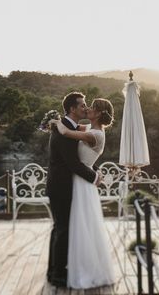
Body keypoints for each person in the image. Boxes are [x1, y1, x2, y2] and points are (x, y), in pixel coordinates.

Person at [50, 98, 117, 289]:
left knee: (82, 226)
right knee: (77, 227)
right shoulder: (89, 131)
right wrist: (95, 171)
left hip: (82, 184)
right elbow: (84, 157)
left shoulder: (94, 134)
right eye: (85, 105)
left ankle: (82, 269)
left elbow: (66, 132)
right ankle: (67, 268)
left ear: (99, 114)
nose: (88, 108)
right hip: (78, 183)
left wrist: (57, 123)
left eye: (92, 107)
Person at [46, 92, 101, 287]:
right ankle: (59, 274)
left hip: (61, 185)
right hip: (61, 187)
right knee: (63, 229)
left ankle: (53, 271)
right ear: (72, 109)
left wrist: (93, 168)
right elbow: (72, 163)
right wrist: (94, 177)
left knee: (59, 228)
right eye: (82, 105)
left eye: (86, 105)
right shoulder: (64, 130)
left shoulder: (68, 126)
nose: (85, 108)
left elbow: (81, 158)